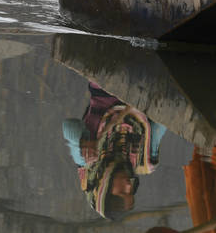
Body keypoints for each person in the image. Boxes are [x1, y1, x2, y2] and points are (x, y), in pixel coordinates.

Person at [61, 83, 167, 220]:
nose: (129, 185)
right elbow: (161, 122)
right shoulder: (144, 163)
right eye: (131, 192)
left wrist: (82, 143)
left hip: (105, 87)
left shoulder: (87, 161)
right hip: (144, 91)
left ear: (105, 188)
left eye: (123, 191)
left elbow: (67, 126)